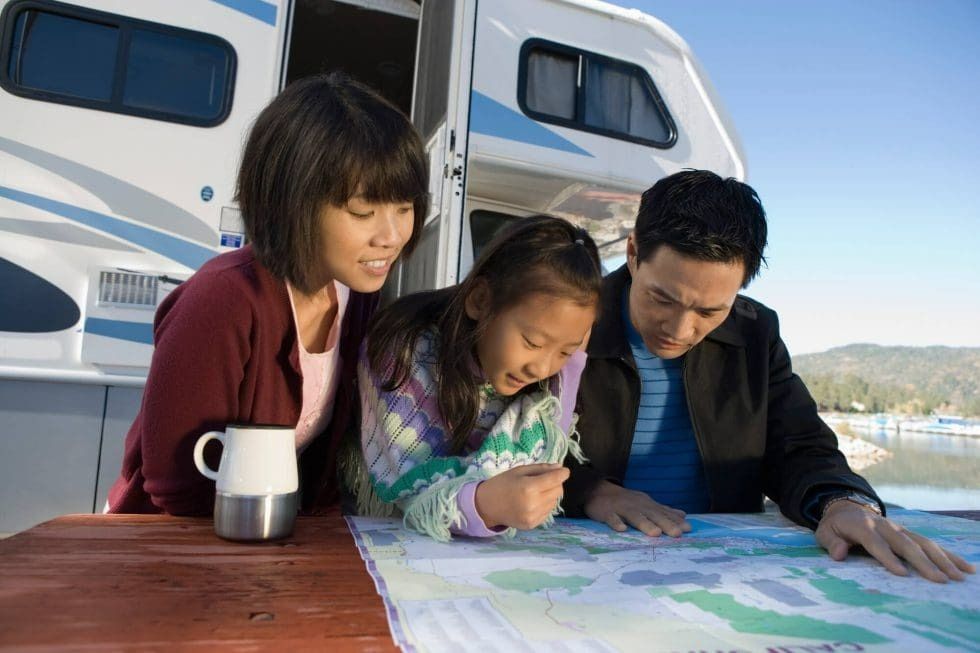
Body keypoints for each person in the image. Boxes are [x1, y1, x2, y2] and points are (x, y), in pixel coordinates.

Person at [564, 170, 975, 583]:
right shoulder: (568, 322)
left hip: (717, 569)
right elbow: (513, 441)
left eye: (710, 311)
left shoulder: (755, 331)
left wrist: (840, 502)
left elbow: (799, 445)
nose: (679, 329)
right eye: (661, 298)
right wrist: (590, 490)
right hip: (589, 560)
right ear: (633, 253)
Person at [107, 73, 429, 515]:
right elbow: (175, 486)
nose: (391, 236)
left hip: (271, 540)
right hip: (173, 542)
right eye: (363, 211)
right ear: (293, 200)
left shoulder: (357, 292)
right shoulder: (223, 301)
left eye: (405, 208)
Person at [348, 216, 602, 541]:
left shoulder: (543, 384)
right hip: (381, 542)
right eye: (533, 343)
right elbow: (408, 485)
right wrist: (484, 503)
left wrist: (573, 361)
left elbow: (552, 446)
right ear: (481, 301)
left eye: (565, 351)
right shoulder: (403, 351)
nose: (542, 368)